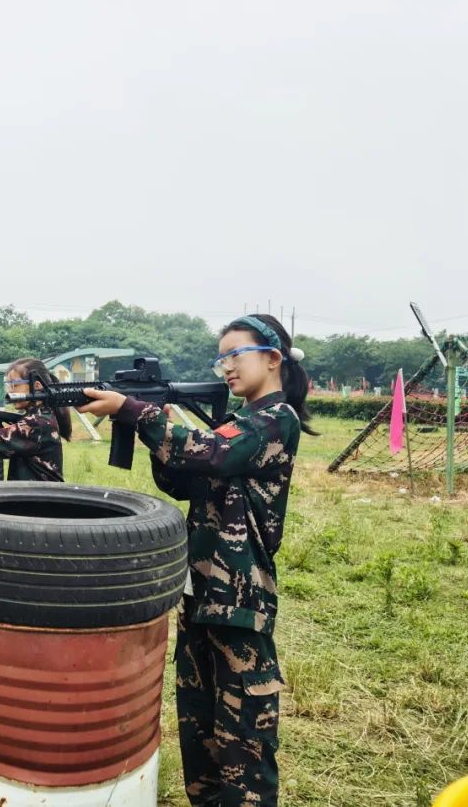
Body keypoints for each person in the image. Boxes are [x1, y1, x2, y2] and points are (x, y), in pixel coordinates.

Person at [78, 314, 316, 807]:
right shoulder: (235, 422)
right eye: (220, 357)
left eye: (235, 354)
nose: (226, 367)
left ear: (272, 358)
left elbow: (212, 453)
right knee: (200, 726)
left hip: (239, 598)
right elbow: (182, 479)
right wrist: (151, 422)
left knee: (243, 736)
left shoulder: (276, 419)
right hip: (201, 592)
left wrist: (137, 411)